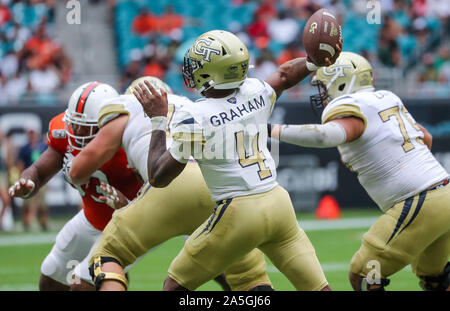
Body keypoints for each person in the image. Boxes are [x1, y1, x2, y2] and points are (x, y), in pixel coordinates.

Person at [132, 29, 341, 291]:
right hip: (278, 203)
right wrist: (312, 62)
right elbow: (285, 75)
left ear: (212, 73)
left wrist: (158, 120)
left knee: (174, 287)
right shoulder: (256, 91)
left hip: (238, 211)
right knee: (318, 288)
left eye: (197, 66)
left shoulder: (195, 115)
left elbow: (157, 177)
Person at [69, 76, 273, 291]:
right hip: (223, 188)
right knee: (247, 278)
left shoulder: (126, 109)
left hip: (172, 190)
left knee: (101, 262)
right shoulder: (193, 106)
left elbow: (77, 172)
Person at [268, 52, 450, 291]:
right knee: (434, 278)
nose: (321, 94)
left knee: (365, 274)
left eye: (323, 86)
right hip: (443, 192)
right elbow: (425, 137)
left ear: (341, 81)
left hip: (419, 200)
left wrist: (271, 130)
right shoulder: (385, 97)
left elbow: (328, 135)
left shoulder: (352, 106)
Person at [9, 82, 144, 291]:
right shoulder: (65, 134)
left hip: (132, 225)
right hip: (92, 219)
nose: (77, 131)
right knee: (51, 278)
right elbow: (39, 170)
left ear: (107, 123)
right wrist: (28, 182)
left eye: (86, 126)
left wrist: (126, 205)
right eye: (74, 123)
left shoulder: (131, 142)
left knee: (83, 283)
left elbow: (161, 194)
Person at [16, 127, 49, 231]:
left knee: (42, 203)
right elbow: (20, 164)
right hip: (28, 178)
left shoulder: (43, 146)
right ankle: (25, 223)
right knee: (27, 202)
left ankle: (43, 222)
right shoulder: (24, 148)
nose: (32, 135)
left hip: (41, 178)